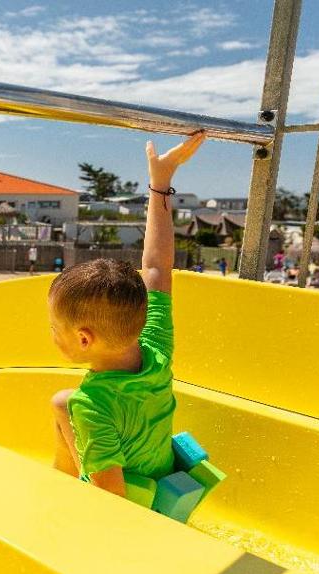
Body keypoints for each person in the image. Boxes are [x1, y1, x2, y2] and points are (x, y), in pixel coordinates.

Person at [47, 131, 204, 497]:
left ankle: (58, 492)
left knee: (67, 404)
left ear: (84, 338)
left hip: (136, 505)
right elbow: (156, 269)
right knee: (60, 402)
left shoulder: (92, 404)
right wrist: (161, 182)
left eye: (55, 328)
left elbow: (112, 496)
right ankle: (58, 478)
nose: (52, 334)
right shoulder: (155, 345)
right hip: (162, 475)